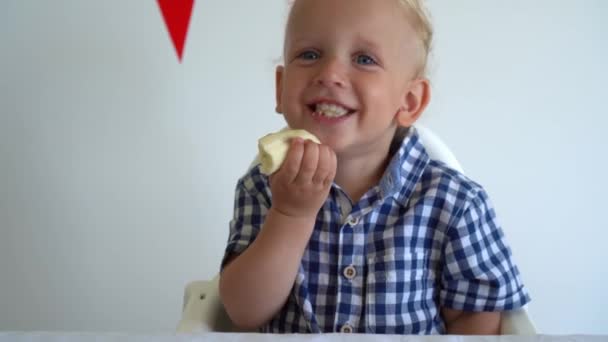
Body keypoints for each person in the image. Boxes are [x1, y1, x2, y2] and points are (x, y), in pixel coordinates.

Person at [219, 0, 530, 334]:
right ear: (280, 88)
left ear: (409, 102)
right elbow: (242, 312)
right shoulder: (264, 186)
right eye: (310, 54)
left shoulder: (454, 203)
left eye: (364, 59)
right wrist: (290, 216)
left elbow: (476, 317)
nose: (329, 74)